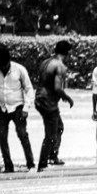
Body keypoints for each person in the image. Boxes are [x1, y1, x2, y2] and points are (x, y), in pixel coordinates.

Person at [0, 46, 35, 173]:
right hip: (1, 108)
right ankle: (8, 165)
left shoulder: (19, 69)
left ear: (9, 60)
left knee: (22, 134)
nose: (3, 67)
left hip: (18, 107)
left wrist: (26, 107)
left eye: (5, 65)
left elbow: (29, 89)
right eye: (1, 65)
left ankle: (31, 163)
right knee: (2, 137)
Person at [35, 40, 74, 172]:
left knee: (58, 127)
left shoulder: (46, 62)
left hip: (40, 98)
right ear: (68, 53)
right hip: (48, 102)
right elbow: (57, 88)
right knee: (51, 134)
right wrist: (67, 98)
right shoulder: (60, 66)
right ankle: (43, 163)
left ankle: (53, 156)